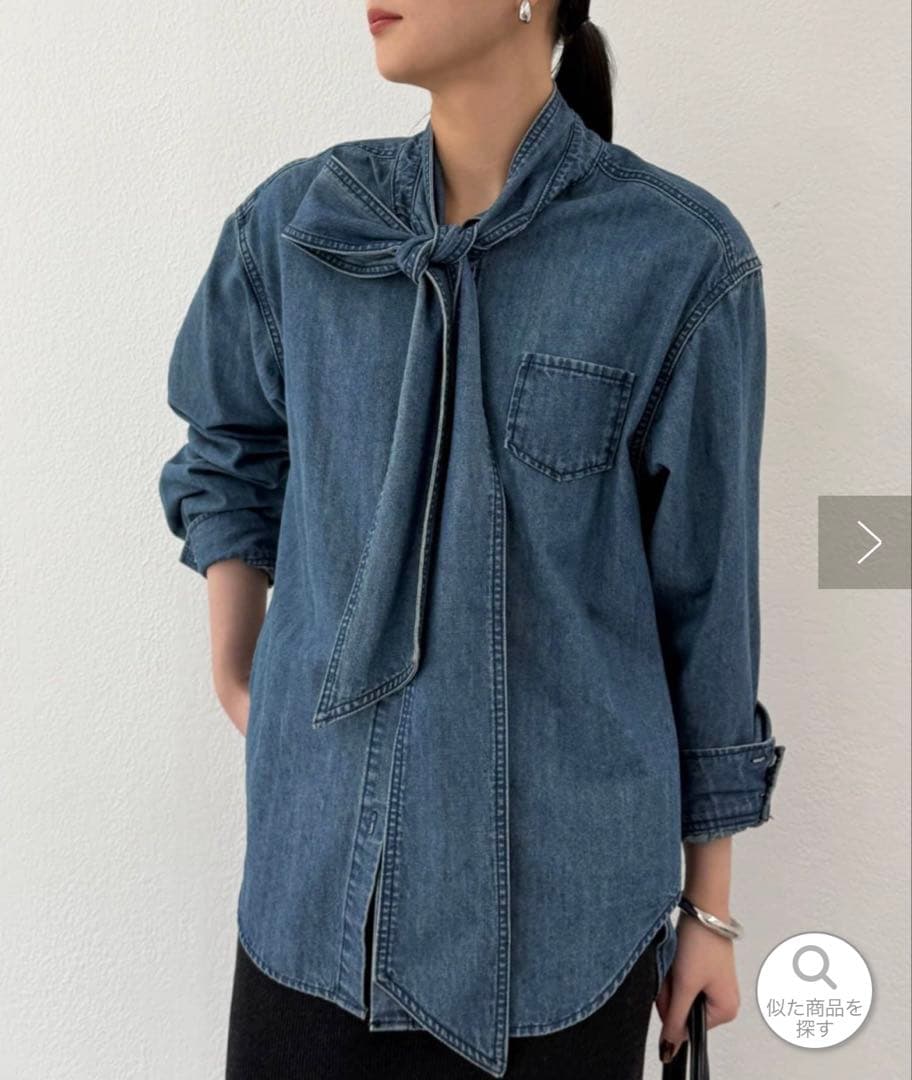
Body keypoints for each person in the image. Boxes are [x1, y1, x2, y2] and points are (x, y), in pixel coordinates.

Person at [158, 1, 786, 1077]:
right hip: (315, 896)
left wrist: (709, 912)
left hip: (564, 926)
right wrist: (237, 664)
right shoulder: (295, 228)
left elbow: (708, 600)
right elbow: (229, 444)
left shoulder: (680, 259)